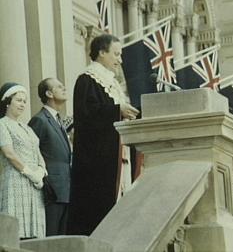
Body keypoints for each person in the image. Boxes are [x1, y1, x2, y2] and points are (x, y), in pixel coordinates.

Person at [67, 34, 139, 235]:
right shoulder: (87, 80)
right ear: (101, 52)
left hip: (119, 155)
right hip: (98, 163)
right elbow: (87, 116)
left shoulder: (112, 83)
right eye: (116, 54)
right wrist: (117, 110)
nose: (120, 59)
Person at [0, 82, 47, 239]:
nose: (22, 104)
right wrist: (30, 173)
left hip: (34, 185)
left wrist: (40, 172)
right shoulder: (2, 124)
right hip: (16, 181)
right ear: (7, 102)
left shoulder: (28, 128)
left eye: (25, 101)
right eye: (19, 100)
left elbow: (38, 153)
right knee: (16, 232)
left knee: (35, 234)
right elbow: (9, 153)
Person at [28, 78, 71, 236]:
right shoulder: (39, 120)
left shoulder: (58, 120)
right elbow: (30, 153)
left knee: (61, 239)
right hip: (50, 190)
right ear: (49, 93)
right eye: (59, 86)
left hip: (65, 189)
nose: (64, 88)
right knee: (50, 237)